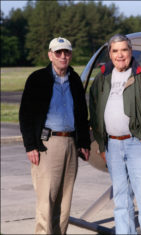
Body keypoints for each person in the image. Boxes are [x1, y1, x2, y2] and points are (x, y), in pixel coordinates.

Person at [89, 34, 141, 234]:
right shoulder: (102, 77)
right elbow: (95, 109)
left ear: (131, 51)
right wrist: (102, 143)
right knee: (121, 201)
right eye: (115, 51)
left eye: (124, 50)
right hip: (113, 146)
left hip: (137, 144)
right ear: (110, 54)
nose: (120, 55)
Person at [19, 37, 91, 234]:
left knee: (65, 202)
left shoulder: (75, 80)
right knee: (46, 201)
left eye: (66, 52)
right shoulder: (37, 79)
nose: (63, 56)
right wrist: (30, 146)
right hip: (47, 144)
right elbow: (25, 114)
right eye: (58, 52)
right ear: (50, 55)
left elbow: (81, 113)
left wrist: (83, 141)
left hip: (71, 143)